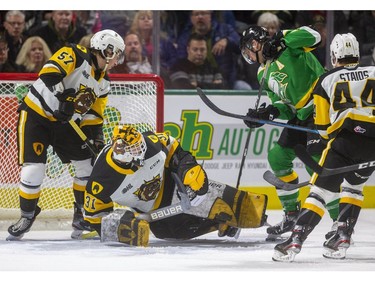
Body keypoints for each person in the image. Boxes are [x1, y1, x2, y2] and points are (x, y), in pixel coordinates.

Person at [6, 29, 125, 241]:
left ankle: (81, 216)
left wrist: (96, 139)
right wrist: (64, 97)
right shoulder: (75, 53)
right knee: (33, 169)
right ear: (107, 50)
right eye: (117, 54)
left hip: (66, 124)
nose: (118, 59)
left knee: (87, 167)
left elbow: (94, 114)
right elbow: (49, 72)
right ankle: (27, 215)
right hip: (37, 116)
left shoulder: (104, 83)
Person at [272, 33, 375, 262]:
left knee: (319, 192)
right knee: (354, 188)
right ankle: (342, 237)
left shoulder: (326, 80)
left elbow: (321, 128)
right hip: (373, 143)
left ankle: (294, 241)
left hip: (346, 141)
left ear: (334, 55)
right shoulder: (374, 72)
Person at [83, 125, 268, 246]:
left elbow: (175, 149)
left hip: (176, 186)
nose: (142, 150)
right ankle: (220, 224)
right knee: (170, 233)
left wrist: (188, 168)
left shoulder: (150, 143)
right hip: (155, 212)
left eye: (140, 146)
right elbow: (95, 218)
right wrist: (120, 226)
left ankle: (232, 214)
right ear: (121, 153)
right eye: (134, 150)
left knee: (243, 208)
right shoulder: (101, 180)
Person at [240, 25, 339, 241]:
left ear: (255, 44)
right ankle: (292, 214)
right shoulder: (261, 73)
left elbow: (315, 37)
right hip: (300, 114)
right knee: (278, 157)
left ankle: (339, 222)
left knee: (316, 162)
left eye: (248, 50)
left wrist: (283, 37)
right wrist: (268, 113)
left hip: (320, 105)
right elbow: (283, 105)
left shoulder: (289, 43)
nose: (248, 55)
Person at [176, 10, 240, 89]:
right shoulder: (184, 37)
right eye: (196, 14)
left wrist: (228, 40)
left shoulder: (224, 30)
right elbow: (181, 62)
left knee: (243, 88)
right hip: (194, 77)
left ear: (210, 16)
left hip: (226, 78)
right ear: (191, 18)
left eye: (203, 13)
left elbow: (243, 46)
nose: (200, 17)